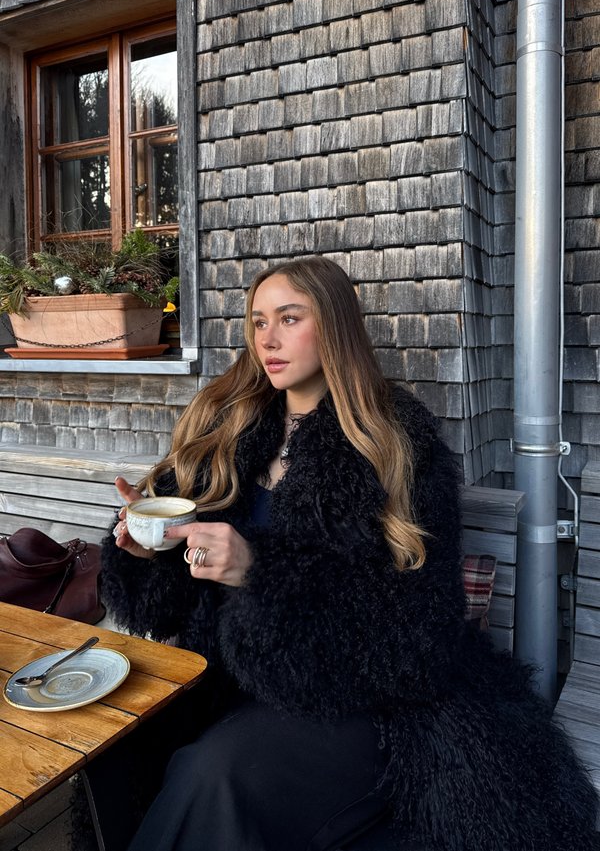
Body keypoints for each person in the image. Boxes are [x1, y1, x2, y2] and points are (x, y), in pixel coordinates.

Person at [101, 256, 599, 851]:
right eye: (258, 322)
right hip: (230, 675)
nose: (269, 339)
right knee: (113, 745)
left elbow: (415, 630)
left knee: (217, 774)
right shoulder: (228, 430)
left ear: (334, 326)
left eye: (290, 318)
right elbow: (169, 603)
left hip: (366, 699)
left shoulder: (392, 442)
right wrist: (141, 550)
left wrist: (260, 572)